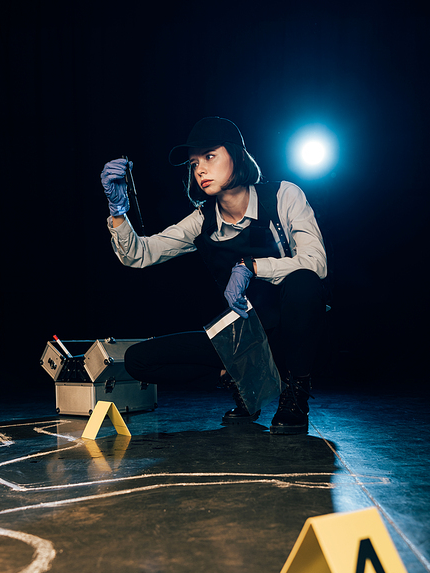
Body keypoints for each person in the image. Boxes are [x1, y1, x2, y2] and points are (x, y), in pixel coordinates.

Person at [100, 117, 327, 434]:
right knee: (138, 360)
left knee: (304, 282)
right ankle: (241, 378)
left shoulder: (283, 196)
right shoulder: (200, 221)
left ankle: (295, 393)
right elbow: (139, 254)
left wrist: (252, 266)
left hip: (291, 328)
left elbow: (316, 262)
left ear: (236, 155)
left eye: (209, 156)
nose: (200, 170)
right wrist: (117, 212)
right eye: (194, 164)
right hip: (242, 336)